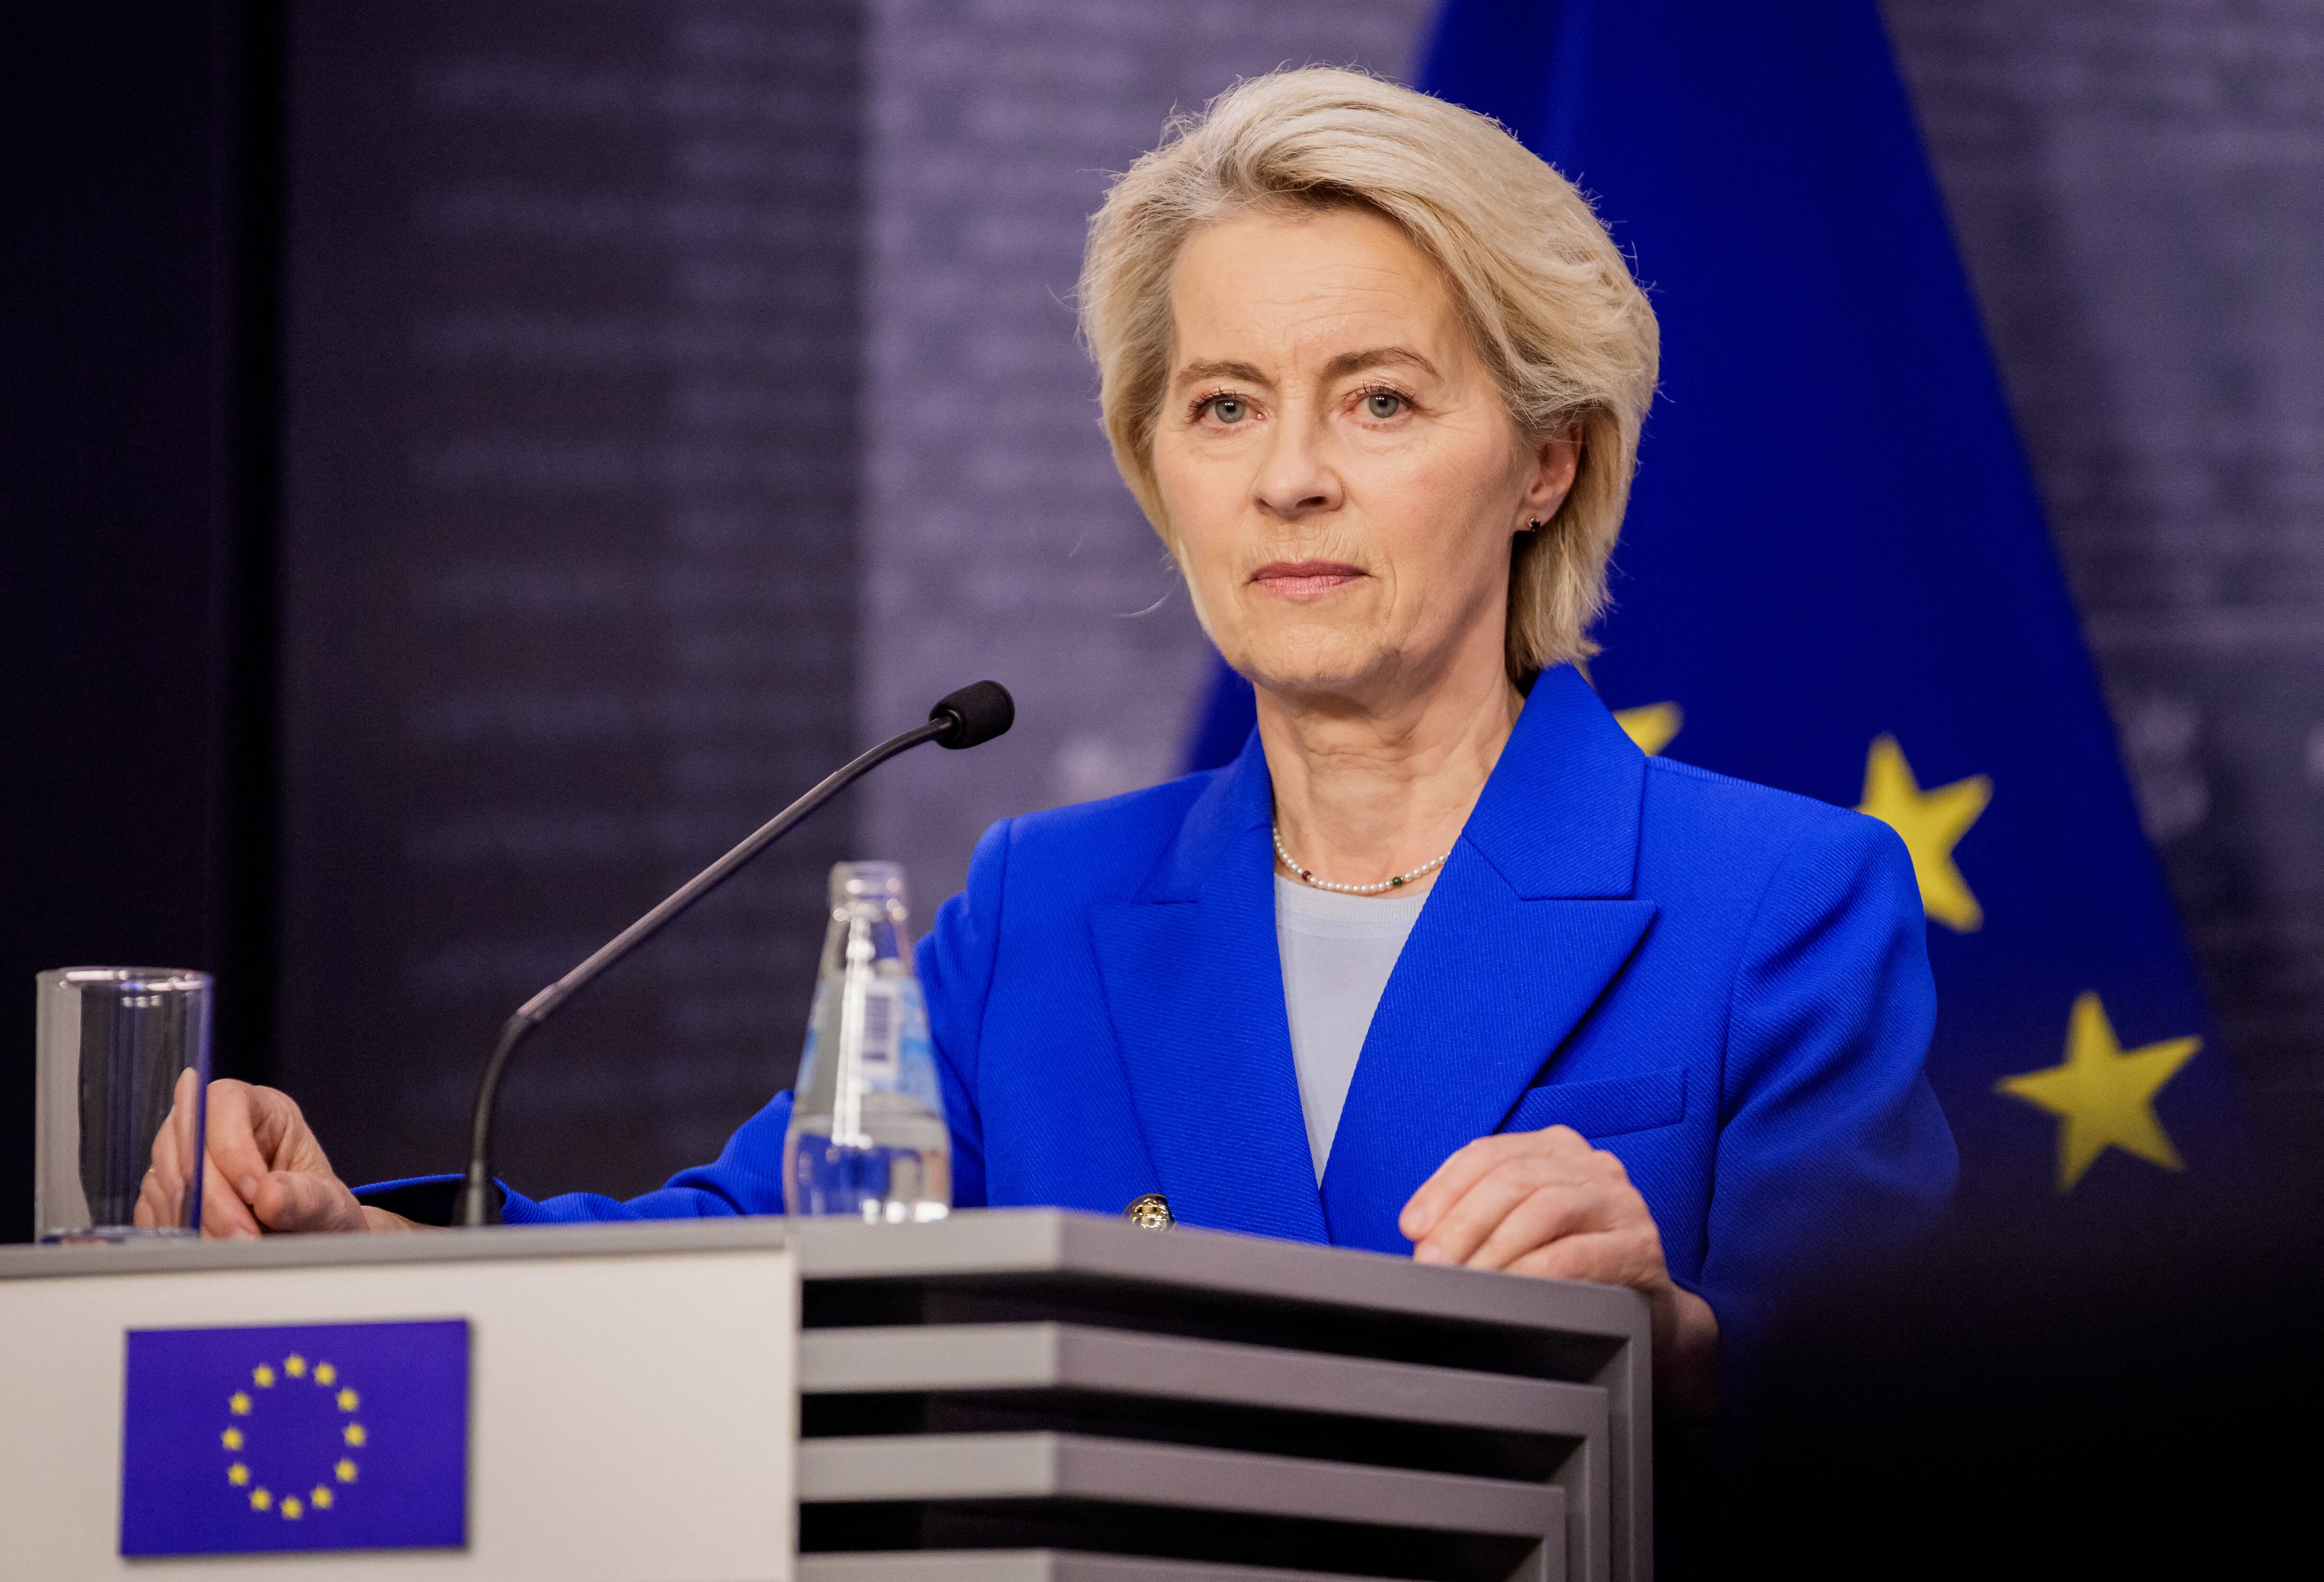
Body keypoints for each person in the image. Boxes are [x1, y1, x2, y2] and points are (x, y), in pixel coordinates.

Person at [141, 67, 1955, 1415]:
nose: (1291, 476)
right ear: (1154, 461)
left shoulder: (1779, 898)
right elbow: (751, 1262)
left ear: (1546, 459)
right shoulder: (1039, 909)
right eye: (1223, 404)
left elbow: (1912, 1425)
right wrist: (348, 1253)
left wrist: (1672, 1334)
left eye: (1380, 399)